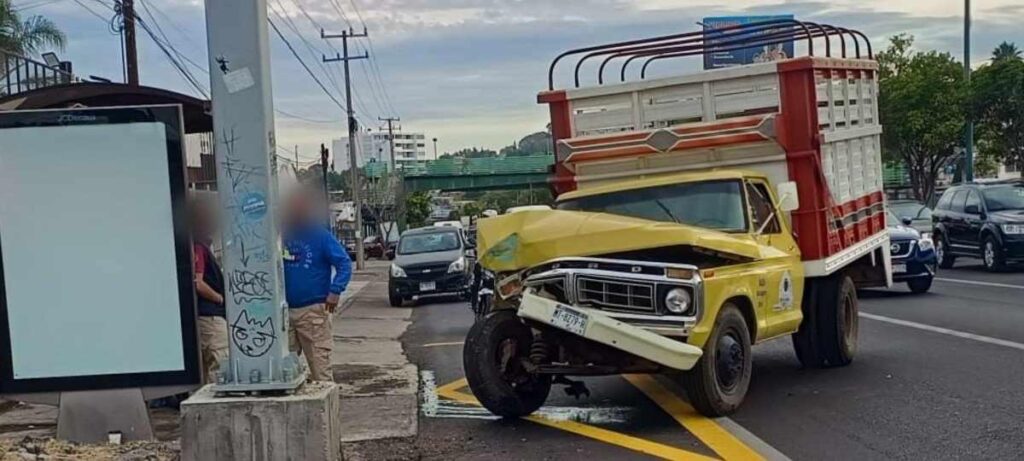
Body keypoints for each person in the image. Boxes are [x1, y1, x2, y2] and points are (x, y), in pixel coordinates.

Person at [282, 187, 352, 382]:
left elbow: (344, 263)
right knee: (283, 372)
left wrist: (335, 290)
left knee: (320, 370)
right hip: (283, 312)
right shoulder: (281, 235)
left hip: (312, 311)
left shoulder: (320, 236)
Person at [191, 196, 228, 384]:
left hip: (203, 316)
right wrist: (220, 298)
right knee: (221, 366)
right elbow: (197, 282)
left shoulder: (199, 244)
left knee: (205, 374)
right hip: (210, 318)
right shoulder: (198, 246)